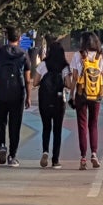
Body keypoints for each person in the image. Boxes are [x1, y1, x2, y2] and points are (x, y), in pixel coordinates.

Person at [69, 32, 103, 170]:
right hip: (96, 95)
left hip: (81, 94)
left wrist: (71, 94)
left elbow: (74, 77)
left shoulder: (78, 55)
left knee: (82, 125)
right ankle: (94, 154)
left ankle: (83, 157)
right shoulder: (99, 56)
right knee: (93, 124)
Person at [0, 26, 32, 167]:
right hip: (17, 93)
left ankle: (2, 144)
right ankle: (12, 156)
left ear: (7, 38)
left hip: (1, 92)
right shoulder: (23, 54)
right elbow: (28, 79)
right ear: (19, 39)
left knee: (0, 120)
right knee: (15, 124)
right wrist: (28, 97)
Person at [32, 41, 71, 169]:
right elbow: (69, 84)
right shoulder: (65, 67)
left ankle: (45, 152)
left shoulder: (43, 64)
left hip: (45, 101)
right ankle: (55, 160)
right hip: (59, 101)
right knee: (58, 130)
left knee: (46, 127)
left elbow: (35, 82)